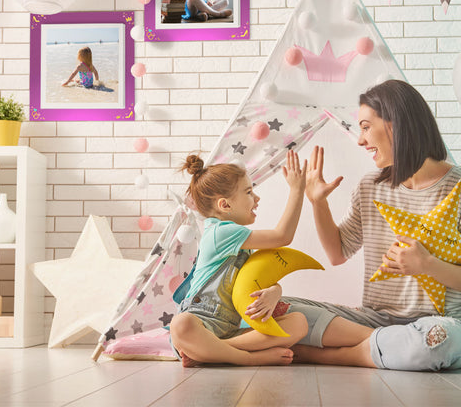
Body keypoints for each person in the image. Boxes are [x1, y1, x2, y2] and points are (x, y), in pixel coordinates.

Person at [289, 79, 461, 371]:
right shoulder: (371, 186)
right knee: (278, 309)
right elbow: (337, 252)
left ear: (396, 124)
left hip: (442, 323)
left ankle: (333, 354)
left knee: (437, 341)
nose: (360, 139)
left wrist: (427, 264)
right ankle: (389, 344)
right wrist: (318, 203)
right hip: (374, 318)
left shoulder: (457, 187)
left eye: (366, 127)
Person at [170, 150, 311, 367]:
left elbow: (257, 281)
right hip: (201, 324)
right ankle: (246, 358)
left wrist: (275, 292)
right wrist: (297, 190)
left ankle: (210, 352)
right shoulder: (221, 233)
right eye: (248, 192)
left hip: (228, 333)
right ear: (225, 205)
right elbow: (283, 236)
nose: (257, 198)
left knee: (299, 323)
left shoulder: (243, 244)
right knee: (181, 324)